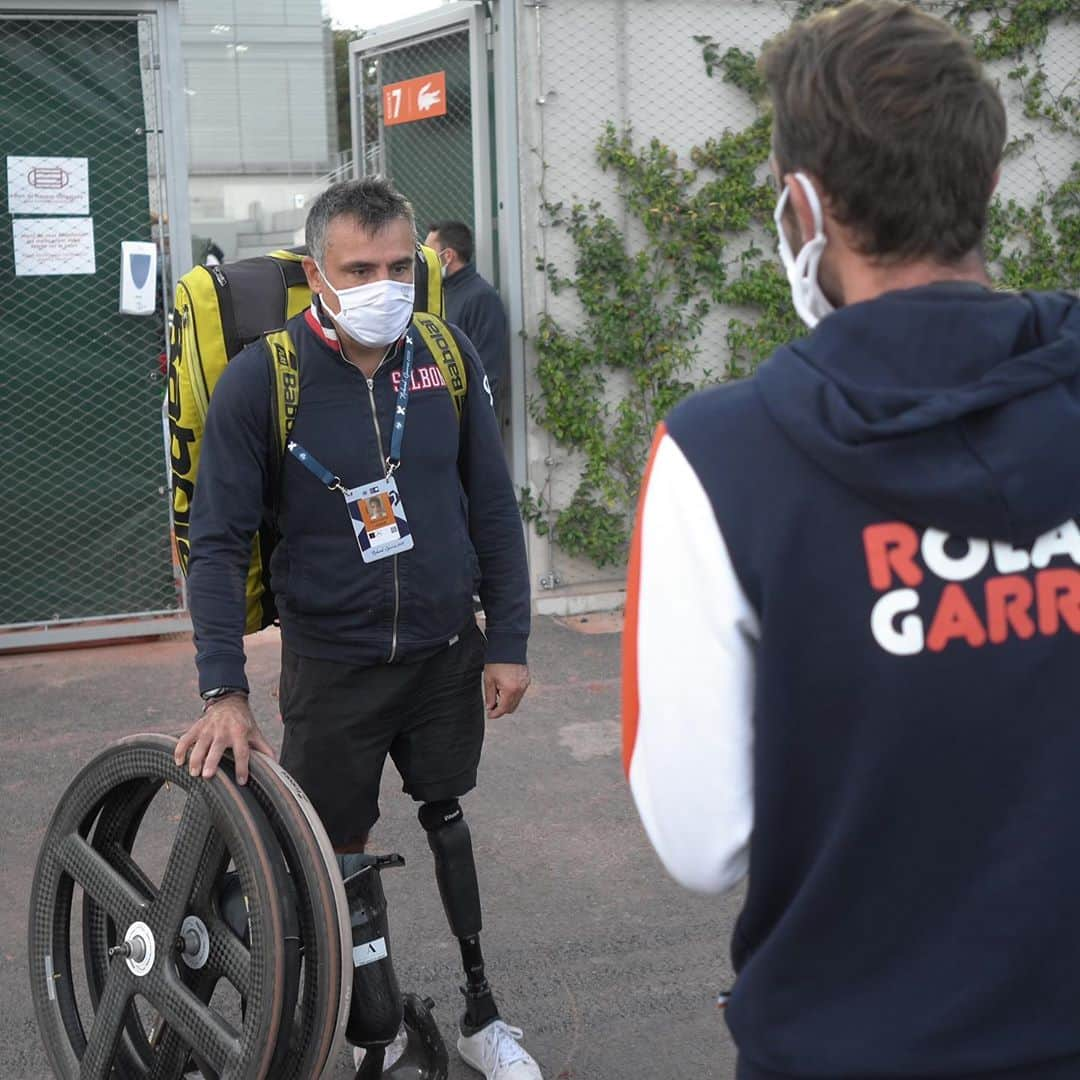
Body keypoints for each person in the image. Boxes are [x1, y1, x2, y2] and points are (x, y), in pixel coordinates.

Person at [622, 3, 1080, 1079]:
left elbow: (702, 841)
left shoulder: (717, 458)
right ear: (987, 182)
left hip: (845, 1043)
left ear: (804, 204)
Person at [174, 177, 543, 1080]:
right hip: (334, 669)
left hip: (447, 653)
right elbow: (215, 546)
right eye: (359, 268)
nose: (385, 284)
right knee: (337, 853)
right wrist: (224, 689)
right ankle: (372, 1031)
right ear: (316, 272)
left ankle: (481, 1017)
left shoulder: (446, 356)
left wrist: (511, 641)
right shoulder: (264, 377)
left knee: (446, 815)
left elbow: (492, 507)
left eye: (398, 266)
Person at [424, 221, 510, 431]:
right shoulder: (439, 294)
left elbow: (487, 374)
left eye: (428, 253)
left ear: (448, 256)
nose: (424, 260)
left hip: (467, 425)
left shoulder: (482, 298)